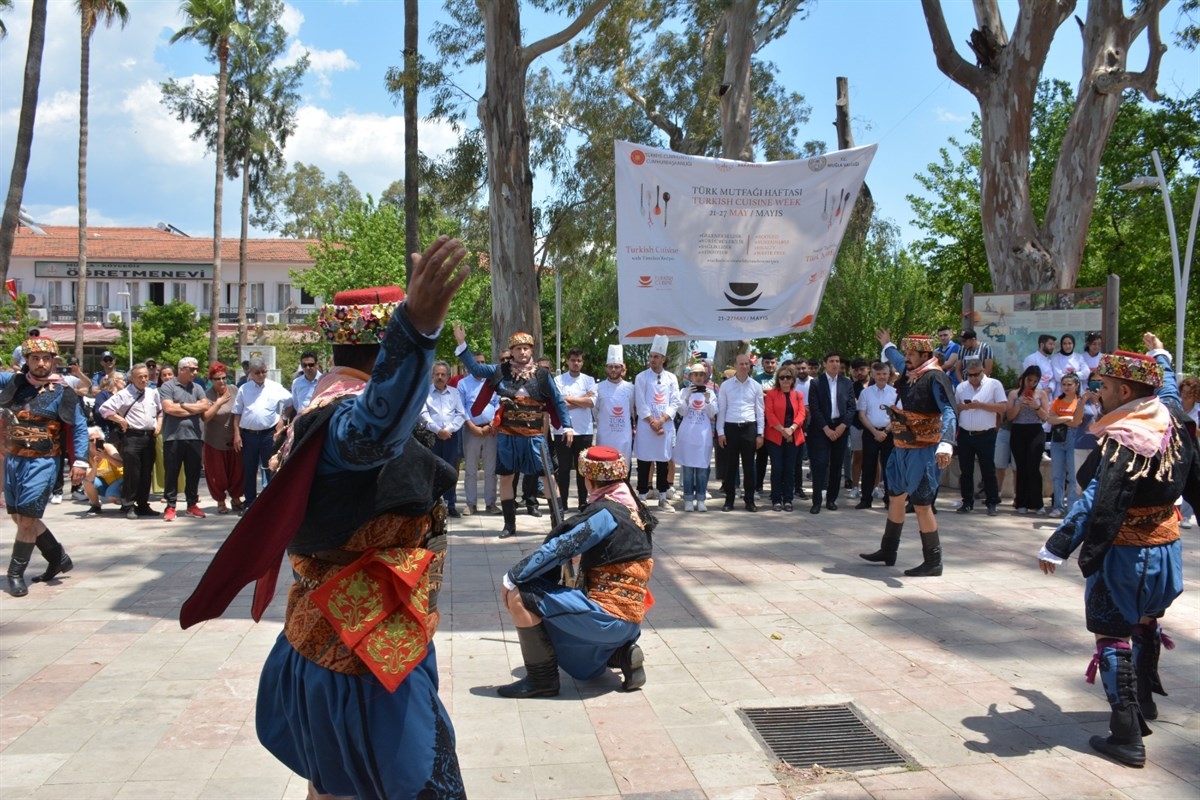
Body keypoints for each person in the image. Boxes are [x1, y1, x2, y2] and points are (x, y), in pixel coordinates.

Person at [180, 236, 470, 799]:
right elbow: (376, 431)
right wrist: (420, 331)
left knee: (332, 784)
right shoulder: (338, 418)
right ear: (384, 345)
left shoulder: (312, 408)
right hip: (358, 648)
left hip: (338, 627)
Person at [1038, 335, 1199, 769]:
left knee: (1111, 634)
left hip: (1125, 557)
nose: (1097, 395)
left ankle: (1126, 736)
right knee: (1147, 620)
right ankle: (1144, 702)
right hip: (1166, 552)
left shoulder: (1125, 437)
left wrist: (1057, 545)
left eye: (1104, 387)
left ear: (1125, 392)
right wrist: (1161, 356)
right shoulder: (1171, 417)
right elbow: (1165, 386)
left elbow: (1096, 500)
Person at [496, 445, 656, 698]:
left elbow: (562, 547)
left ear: (588, 478)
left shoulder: (605, 513)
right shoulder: (633, 508)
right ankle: (620, 654)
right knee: (583, 669)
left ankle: (542, 680)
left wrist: (513, 576)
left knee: (521, 595)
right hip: (631, 623)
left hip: (607, 620)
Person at [454, 325, 573, 539]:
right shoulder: (500, 371)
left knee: (548, 477)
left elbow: (557, 400)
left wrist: (568, 425)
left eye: (526, 348)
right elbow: (476, 369)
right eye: (518, 348)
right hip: (507, 435)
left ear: (531, 350)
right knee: (506, 479)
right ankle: (509, 525)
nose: (523, 352)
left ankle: (559, 524)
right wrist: (462, 344)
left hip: (534, 435)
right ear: (512, 351)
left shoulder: (543, 374)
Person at [860, 332, 957, 576]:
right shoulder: (911, 371)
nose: (906, 358)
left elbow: (949, 410)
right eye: (907, 354)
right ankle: (888, 550)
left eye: (911, 354)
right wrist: (887, 345)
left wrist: (946, 443)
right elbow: (896, 358)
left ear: (925, 355)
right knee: (895, 496)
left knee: (922, 503)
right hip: (902, 447)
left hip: (924, 450)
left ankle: (933, 561)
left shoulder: (935, 377)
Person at [2, 336, 88, 596]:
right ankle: (58, 557)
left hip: (43, 461)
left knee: (28, 518)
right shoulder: (12, 383)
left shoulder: (64, 392)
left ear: (53, 361)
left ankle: (15, 574)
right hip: (13, 460)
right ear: (26, 361)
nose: (41, 363)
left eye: (46, 359)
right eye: (35, 359)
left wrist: (80, 460)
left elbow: (80, 428)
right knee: (19, 517)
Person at [99, 363, 162, 520]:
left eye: (146, 376)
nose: (143, 379)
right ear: (132, 379)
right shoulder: (124, 394)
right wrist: (120, 419)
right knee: (132, 472)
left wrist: (158, 425)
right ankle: (128, 504)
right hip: (132, 436)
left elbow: (160, 411)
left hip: (149, 437)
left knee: (146, 472)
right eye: (140, 377)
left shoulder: (152, 393)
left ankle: (143, 504)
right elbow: (104, 409)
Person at [231, 357, 291, 513]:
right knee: (249, 469)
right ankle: (250, 502)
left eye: (264, 372)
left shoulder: (275, 387)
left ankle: (271, 502)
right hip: (249, 436)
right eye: (257, 373)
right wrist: (236, 435)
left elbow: (291, 402)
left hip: (269, 434)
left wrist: (282, 419)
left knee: (270, 467)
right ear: (251, 373)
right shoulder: (244, 389)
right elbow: (237, 413)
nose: (261, 375)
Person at [158, 357, 210, 521]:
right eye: (192, 369)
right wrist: (192, 408)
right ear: (181, 369)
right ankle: (171, 506)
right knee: (171, 472)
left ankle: (192, 504)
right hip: (173, 436)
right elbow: (168, 408)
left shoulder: (198, 387)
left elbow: (205, 406)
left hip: (194, 436)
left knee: (193, 472)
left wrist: (181, 406)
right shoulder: (168, 386)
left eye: (196, 369)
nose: (195, 372)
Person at [953, 359, 1007, 516]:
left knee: (988, 469)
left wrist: (981, 405)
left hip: (986, 434)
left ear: (982, 371)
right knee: (966, 470)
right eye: (970, 375)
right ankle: (967, 502)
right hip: (965, 433)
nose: (974, 378)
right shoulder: (962, 387)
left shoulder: (994, 384)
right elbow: (954, 407)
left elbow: (1003, 406)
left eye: (976, 374)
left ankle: (992, 502)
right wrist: (964, 406)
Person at [633, 335, 680, 512]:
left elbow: (675, 402)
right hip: (646, 425)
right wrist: (652, 421)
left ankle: (662, 497)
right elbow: (640, 401)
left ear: (663, 359)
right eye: (651, 356)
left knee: (663, 461)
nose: (652, 360)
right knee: (644, 460)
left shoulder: (671, 378)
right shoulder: (641, 377)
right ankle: (642, 496)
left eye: (656, 357)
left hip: (665, 425)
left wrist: (662, 420)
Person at [806, 352, 855, 514]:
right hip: (821, 430)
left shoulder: (846, 383)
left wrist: (842, 427)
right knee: (819, 465)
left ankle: (832, 500)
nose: (835, 364)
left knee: (836, 465)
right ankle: (817, 501)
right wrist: (826, 428)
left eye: (837, 361)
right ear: (825, 364)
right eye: (832, 361)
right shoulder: (816, 383)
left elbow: (851, 408)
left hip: (840, 429)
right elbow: (814, 407)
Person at [716, 353, 764, 513]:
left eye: (746, 364)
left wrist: (760, 434)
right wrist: (721, 432)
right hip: (731, 428)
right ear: (735, 365)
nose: (744, 367)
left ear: (750, 366)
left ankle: (749, 500)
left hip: (749, 428)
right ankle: (729, 500)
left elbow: (760, 411)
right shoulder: (726, 386)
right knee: (731, 466)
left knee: (749, 467)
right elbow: (721, 409)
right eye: (741, 364)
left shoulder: (756, 386)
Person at [553, 348, 597, 512]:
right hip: (563, 430)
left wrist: (567, 399)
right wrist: (582, 399)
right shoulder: (558, 380)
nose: (576, 363)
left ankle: (582, 503)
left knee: (582, 470)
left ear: (582, 362)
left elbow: (591, 403)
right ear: (567, 361)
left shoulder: (589, 380)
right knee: (563, 469)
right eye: (573, 360)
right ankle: (562, 503)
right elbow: (558, 404)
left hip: (584, 431)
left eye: (579, 360)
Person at [422, 360, 466, 517]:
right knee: (433, 469)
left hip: (451, 437)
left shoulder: (454, 393)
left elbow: (461, 414)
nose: (440, 377)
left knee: (451, 470)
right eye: (437, 374)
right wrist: (437, 430)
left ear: (448, 376)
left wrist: (448, 430)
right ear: (432, 376)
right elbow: (422, 414)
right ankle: (433, 504)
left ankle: (451, 504)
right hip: (431, 437)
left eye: (443, 374)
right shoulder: (425, 392)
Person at [458, 351, 499, 516]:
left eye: (483, 362)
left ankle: (491, 504)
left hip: (491, 431)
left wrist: (491, 424)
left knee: (491, 470)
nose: (480, 366)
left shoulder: (492, 382)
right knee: (470, 470)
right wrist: (472, 426)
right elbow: (460, 408)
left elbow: (497, 404)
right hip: (471, 431)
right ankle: (471, 504)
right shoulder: (463, 384)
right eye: (477, 363)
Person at [200, 363, 244, 515]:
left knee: (237, 472)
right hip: (214, 441)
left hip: (234, 439)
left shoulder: (235, 390)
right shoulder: (207, 395)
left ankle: (236, 498)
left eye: (224, 378)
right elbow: (205, 417)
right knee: (217, 474)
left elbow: (240, 411)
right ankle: (220, 501)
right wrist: (218, 403)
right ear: (211, 380)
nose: (222, 381)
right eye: (217, 379)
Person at [1007, 365, 1051, 514]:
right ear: (1024, 377)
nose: (1031, 383)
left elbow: (1046, 417)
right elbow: (1010, 416)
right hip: (1019, 430)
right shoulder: (1014, 394)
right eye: (1029, 379)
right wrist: (1020, 405)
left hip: (1035, 430)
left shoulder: (1041, 394)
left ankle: (1037, 503)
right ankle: (1021, 502)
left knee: (1033, 466)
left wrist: (1036, 406)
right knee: (1021, 467)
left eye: (1034, 381)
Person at [676, 363, 718, 512]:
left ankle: (701, 498)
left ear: (705, 377)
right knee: (687, 469)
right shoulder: (683, 391)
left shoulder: (711, 392)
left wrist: (707, 400)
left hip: (703, 436)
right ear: (690, 376)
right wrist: (687, 398)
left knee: (701, 468)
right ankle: (688, 498)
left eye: (701, 375)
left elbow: (712, 413)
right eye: (696, 375)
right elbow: (681, 412)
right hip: (687, 436)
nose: (699, 378)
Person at [764, 364, 805, 512]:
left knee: (790, 469)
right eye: (782, 377)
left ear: (793, 379)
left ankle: (788, 499)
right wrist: (782, 430)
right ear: (778, 379)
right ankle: (776, 499)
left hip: (793, 436)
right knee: (777, 468)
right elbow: (769, 414)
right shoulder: (771, 394)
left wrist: (792, 429)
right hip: (775, 436)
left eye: (788, 377)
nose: (785, 380)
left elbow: (802, 414)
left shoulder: (798, 395)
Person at [856, 361, 897, 509]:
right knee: (868, 467)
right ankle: (866, 499)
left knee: (889, 467)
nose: (881, 377)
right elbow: (861, 414)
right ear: (873, 375)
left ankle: (889, 499)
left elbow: (897, 416)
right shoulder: (865, 392)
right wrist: (875, 432)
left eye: (884, 374)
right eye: (878, 374)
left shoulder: (895, 393)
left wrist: (885, 431)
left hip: (889, 434)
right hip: (870, 433)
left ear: (889, 375)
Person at [1046, 373, 1086, 517]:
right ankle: (1058, 507)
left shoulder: (1080, 401)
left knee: (1074, 475)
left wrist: (1061, 419)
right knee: (1057, 474)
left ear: (1076, 385)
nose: (1066, 387)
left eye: (1070, 384)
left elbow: (1077, 422)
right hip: (1058, 437)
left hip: (1074, 438)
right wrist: (1068, 417)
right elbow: (1049, 418)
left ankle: (1072, 507)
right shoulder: (1057, 400)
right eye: (1064, 384)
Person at [594, 345, 635, 465]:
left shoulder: (631, 388)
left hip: (623, 437)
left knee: (623, 467)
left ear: (621, 368)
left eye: (616, 367)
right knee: (603, 468)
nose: (613, 370)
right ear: (606, 368)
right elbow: (595, 411)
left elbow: (632, 409)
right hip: (604, 436)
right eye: (610, 367)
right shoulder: (598, 388)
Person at [82, 426, 123, 514]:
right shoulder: (86, 453)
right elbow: (89, 478)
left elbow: (120, 464)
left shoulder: (108, 447)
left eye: (98, 439)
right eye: (91, 440)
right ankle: (96, 505)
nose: (95, 442)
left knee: (112, 495)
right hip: (104, 482)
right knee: (86, 481)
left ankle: (125, 501)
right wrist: (95, 464)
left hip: (120, 479)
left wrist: (106, 457)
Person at [1179, 376, 1199, 529]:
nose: (1185, 395)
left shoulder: (1198, 412)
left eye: (1189, 393)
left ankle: (1185, 515)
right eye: (1184, 392)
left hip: (1194, 451)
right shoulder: (1175, 407)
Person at [1024, 334, 1058, 399]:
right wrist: (1041, 391)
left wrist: (1049, 389)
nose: (1053, 347)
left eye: (1053, 344)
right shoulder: (1031, 359)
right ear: (1042, 345)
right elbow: (1028, 378)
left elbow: (1053, 378)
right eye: (1050, 344)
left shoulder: (1050, 361)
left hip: (1048, 396)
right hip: (1035, 395)